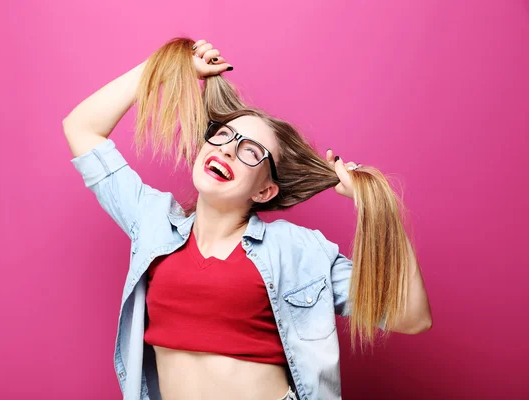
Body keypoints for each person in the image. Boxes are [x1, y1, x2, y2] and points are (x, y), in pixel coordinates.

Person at [63, 38, 432, 400]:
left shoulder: (296, 250)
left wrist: (378, 207)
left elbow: (411, 316)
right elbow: (81, 128)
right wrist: (170, 69)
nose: (226, 149)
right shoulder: (153, 221)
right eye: (222, 135)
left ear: (265, 191)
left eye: (250, 152)